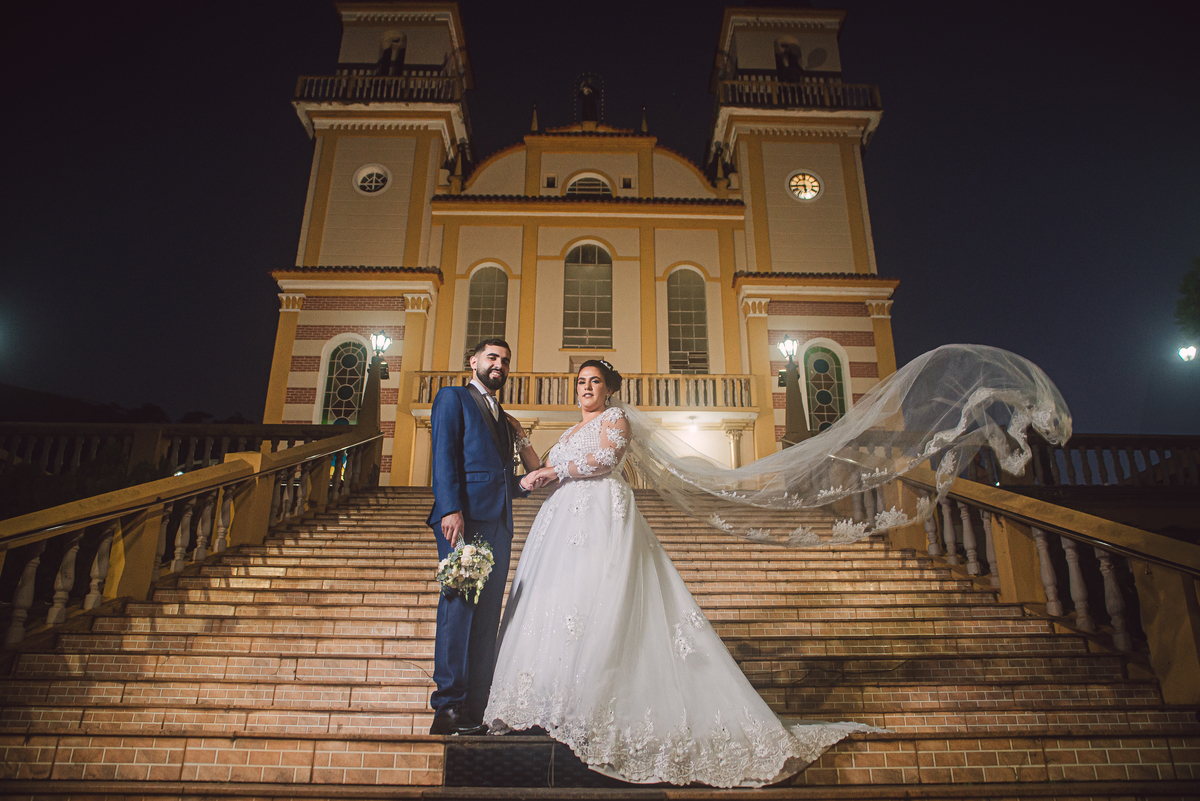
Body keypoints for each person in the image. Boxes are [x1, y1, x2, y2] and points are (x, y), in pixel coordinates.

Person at [484, 360, 877, 786]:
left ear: (609, 389)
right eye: (580, 381)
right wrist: (520, 436)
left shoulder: (616, 418)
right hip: (560, 523)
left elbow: (605, 458)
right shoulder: (565, 435)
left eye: (595, 382)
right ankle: (553, 703)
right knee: (559, 607)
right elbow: (537, 471)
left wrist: (555, 470)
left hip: (599, 516)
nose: (586, 388)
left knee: (598, 602)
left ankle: (594, 704)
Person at [426, 338, 533, 736]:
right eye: (492, 357)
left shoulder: (504, 418)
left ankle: (476, 705)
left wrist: (529, 482)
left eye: (505, 360)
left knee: (487, 617)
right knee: (458, 609)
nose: (499, 365)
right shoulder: (453, 398)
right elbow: (444, 455)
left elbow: (503, 477)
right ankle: (448, 707)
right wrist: (451, 507)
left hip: (499, 523)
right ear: (473, 361)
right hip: (464, 520)